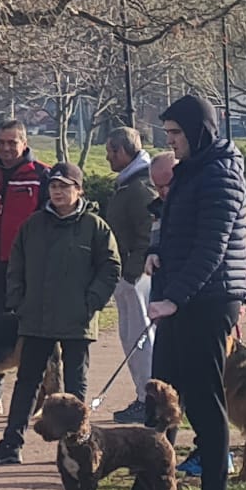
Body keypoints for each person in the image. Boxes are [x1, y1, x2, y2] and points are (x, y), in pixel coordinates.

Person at [98, 97, 246, 490]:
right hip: (178, 299)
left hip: (207, 301)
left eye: (176, 134)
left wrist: (174, 299)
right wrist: (155, 254)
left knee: (203, 402)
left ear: (197, 131)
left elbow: (211, 249)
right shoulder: (187, 172)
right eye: (167, 135)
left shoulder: (220, 173)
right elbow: (169, 226)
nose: (171, 142)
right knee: (158, 400)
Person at [0, 162, 119, 465]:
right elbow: (16, 263)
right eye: (54, 186)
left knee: (75, 384)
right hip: (35, 318)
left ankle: (78, 445)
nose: (57, 191)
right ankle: (11, 443)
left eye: (64, 186)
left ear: (79, 190)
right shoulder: (33, 225)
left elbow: (110, 268)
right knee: (27, 381)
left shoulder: (95, 227)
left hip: (76, 319)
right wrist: (19, 299)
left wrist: (91, 301)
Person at [0, 120, 52, 410]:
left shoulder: (41, 175)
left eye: (12, 142)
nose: (6, 148)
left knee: (26, 331)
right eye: (1, 142)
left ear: (24, 143)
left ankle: (35, 395)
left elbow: (48, 224)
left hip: (26, 267)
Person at [102, 129, 159, 423]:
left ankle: (149, 401)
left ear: (125, 151)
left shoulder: (139, 186)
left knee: (140, 340)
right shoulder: (129, 183)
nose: (108, 157)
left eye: (111, 151)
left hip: (136, 276)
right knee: (131, 337)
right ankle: (144, 397)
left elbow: (147, 232)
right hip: (129, 274)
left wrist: (132, 272)